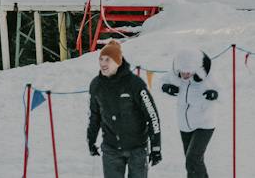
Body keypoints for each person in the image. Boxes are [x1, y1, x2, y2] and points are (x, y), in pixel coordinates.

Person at [86, 39, 162, 178]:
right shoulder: (96, 85)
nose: (103, 63)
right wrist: (91, 140)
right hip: (111, 149)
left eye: (107, 59)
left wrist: (156, 147)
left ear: (118, 62)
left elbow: (152, 116)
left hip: (137, 149)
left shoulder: (135, 84)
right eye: (101, 59)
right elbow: (95, 116)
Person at [158, 50, 220, 178]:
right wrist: (165, 87)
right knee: (194, 161)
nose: (185, 74)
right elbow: (160, 82)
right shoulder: (175, 76)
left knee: (192, 159)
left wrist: (215, 94)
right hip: (184, 125)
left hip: (204, 124)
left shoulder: (206, 77)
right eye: (182, 70)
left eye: (189, 70)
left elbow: (224, 92)